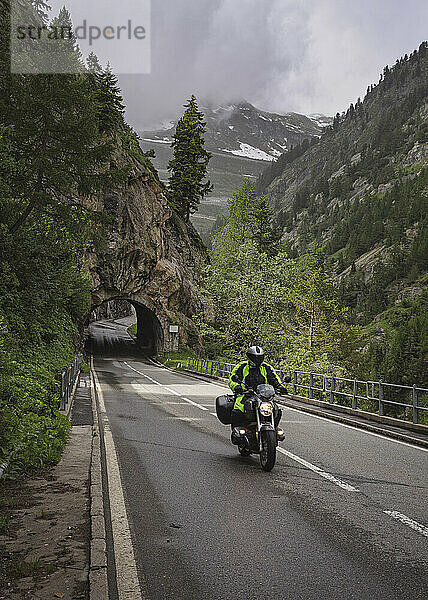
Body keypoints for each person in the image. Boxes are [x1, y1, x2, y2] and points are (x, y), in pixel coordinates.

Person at [228, 346, 289, 427]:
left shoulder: (266, 367)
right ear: (249, 356)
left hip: (264, 395)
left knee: (276, 410)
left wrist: (280, 386)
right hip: (245, 394)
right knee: (238, 409)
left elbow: (274, 378)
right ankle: (238, 430)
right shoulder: (242, 366)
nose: (257, 359)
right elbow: (232, 379)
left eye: (259, 357)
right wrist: (237, 387)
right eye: (254, 357)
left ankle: (274, 428)